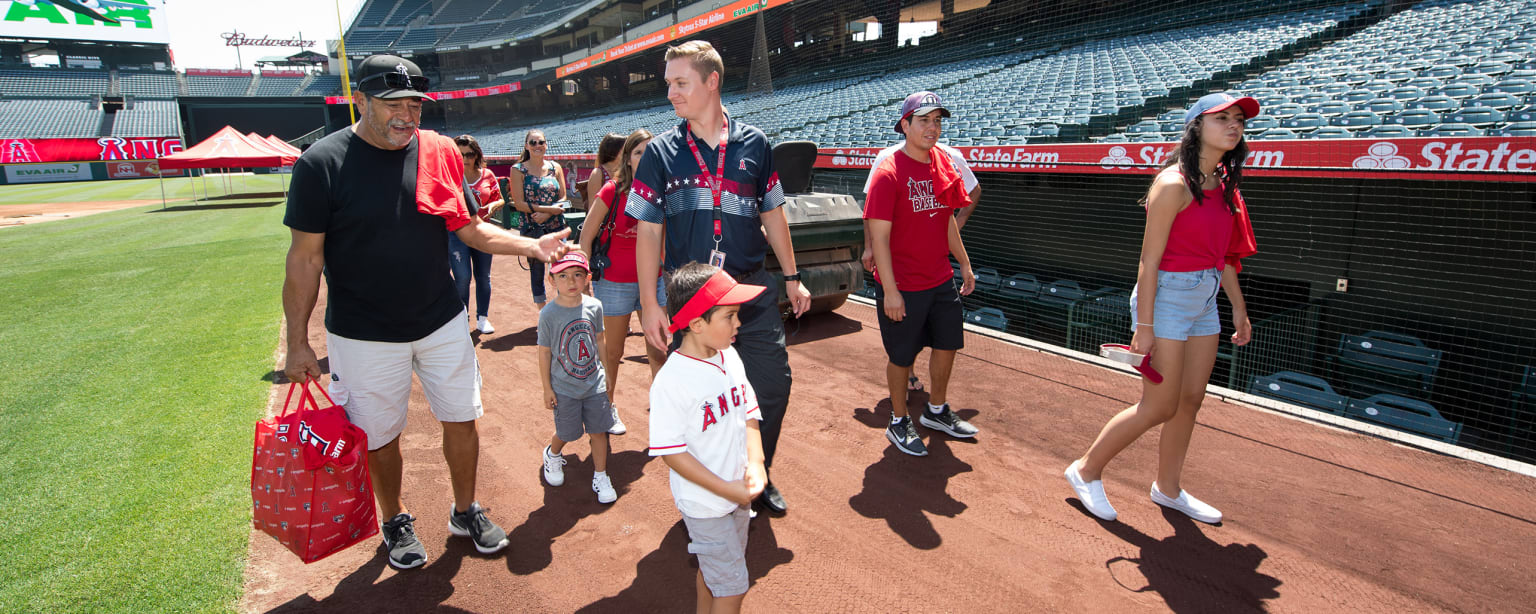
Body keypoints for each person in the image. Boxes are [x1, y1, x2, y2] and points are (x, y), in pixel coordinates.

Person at [281, 54, 573, 569]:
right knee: (379, 435)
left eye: (414, 103)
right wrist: (300, 340)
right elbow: (305, 258)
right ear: (361, 100)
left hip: (440, 320)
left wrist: (531, 247)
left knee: (463, 418)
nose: (406, 115)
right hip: (363, 332)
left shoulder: (435, 151)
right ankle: (394, 518)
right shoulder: (320, 164)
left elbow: (468, 228)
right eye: (392, 103)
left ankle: (465, 510)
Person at [628, 40, 811, 515]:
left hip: (749, 289)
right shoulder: (660, 153)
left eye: (680, 82)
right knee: (700, 402)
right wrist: (649, 303)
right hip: (690, 298)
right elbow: (648, 231)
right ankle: (710, 494)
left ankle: (757, 473)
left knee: (771, 386)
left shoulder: (756, 144)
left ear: (712, 82)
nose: (670, 93)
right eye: (668, 83)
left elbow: (774, 215)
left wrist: (792, 276)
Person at [1064, 92, 1259, 524]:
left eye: (1239, 120)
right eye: (1222, 118)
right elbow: (1148, 262)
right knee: (1159, 406)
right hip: (1167, 296)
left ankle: (1168, 489)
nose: (1234, 125)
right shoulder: (1174, 184)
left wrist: (1239, 310)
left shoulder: (1225, 185)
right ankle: (1085, 469)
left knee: (1190, 399)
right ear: (1196, 128)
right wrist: (1145, 325)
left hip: (1205, 298)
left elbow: (1221, 258)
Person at [865, 91, 982, 457]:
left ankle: (936, 411)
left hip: (939, 278)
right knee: (902, 356)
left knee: (948, 345)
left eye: (937, 121)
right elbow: (879, 238)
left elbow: (947, 218)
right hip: (904, 284)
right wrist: (892, 291)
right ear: (905, 125)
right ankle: (899, 420)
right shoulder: (888, 172)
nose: (933, 128)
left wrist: (963, 262)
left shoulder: (944, 163)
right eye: (924, 120)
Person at [649, 262, 767, 614]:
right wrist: (726, 489)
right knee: (733, 587)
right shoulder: (672, 381)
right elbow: (672, 453)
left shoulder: (729, 356)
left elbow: (749, 411)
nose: (738, 324)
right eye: (729, 317)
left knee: (714, 574)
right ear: (697, 324)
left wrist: (757, 462)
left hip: (736, 494)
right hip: (705, 505)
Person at [578, 129, 667, 427]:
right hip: (614, 283)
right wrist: (584, 277)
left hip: (653, 283)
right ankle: (607, 408)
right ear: (627, 158)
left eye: (651, 151)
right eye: (639, 152)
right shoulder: (611, 191)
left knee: (659, 349)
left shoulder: (664, 192)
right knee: (612, 353)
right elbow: (586, 236)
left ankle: (663, 405)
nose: (645, 157)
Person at [537, 252, 618, 503]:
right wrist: (547, 388)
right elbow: (544, 352)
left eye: (577, 275)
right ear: (552, 280)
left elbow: (600, 339)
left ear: (587, 278)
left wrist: (606, 372)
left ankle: (601, 475)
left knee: (599, 431)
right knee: (568, 432)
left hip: (594, 382)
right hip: (564, 387)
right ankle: (552, 453)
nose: (571, 281)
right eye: (563, 276)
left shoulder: (594, 306)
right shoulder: (548, 314)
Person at [507, 129, 571, 309]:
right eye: (533, 143)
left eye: (541, 142)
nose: (537, 146)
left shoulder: (555, 167)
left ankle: (563, 307)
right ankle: (543, 311)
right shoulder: (518, 169)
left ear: (546, 144)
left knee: (561, 267)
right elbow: (518, 203)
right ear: (526, 146)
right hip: (531, 227)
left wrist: (548, 213)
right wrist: (546, 210)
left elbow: (564, 199)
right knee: (536, 270)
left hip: (556, 225)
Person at [450, 134, 504, 335]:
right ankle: (462, 316)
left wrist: (492, 204)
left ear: (477, 154)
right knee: (462, 277)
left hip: (482, 232)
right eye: (460, 154)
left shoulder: (487, 175)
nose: (465, 159)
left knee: (483, 276)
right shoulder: (449, 175)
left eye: (470, 154)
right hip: (456, 233)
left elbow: (500, 199)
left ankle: (483, 318)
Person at [583, 132, 626, 207]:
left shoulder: (626, 171)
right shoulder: (598, 174)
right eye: (625, 149)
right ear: (615, 150)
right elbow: (593, 207)